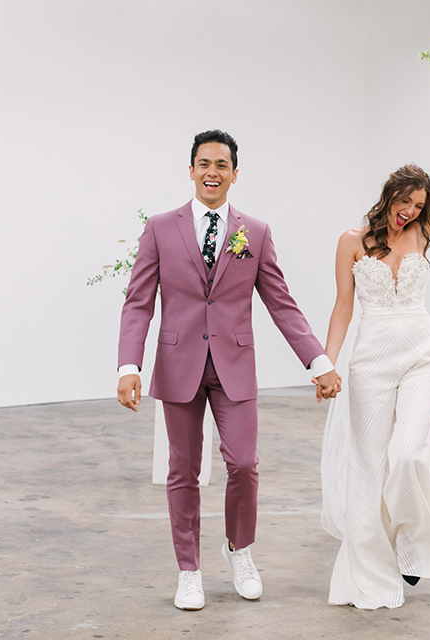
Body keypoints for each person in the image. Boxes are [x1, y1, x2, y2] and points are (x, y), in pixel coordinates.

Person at [116, 130, 340, 611]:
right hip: (178, 365)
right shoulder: (159, 228)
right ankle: (189, 570)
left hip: (235, 366)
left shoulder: (254, 233)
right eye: (203, 163)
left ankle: (239, 549)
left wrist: (318, 361)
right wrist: (128, 365)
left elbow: (281, 303)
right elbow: (138, 303)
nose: (212, 172)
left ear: (235, 173)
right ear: (191, 170)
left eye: (222, 164)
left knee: (243, 463)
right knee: (184, 471)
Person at [320, 88, 430, 609]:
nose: (410, 212)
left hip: (420, 353)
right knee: (368, 466)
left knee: (409, 453)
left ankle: (415, 540)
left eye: (418, 206)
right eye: (404, 202)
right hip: (370, 360)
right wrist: (325, 362)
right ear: (388, 195)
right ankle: (371, 567)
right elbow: (343, 308)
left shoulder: (423, 230)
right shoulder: (352, 240)